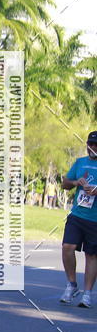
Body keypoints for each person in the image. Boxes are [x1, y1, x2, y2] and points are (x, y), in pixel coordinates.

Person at [59, 131, 97, 308]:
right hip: (77, 214)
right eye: (91, 144)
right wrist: (76, 182)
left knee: (91, 255)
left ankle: (87, 294)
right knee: (67, 247)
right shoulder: (80, 162)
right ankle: (71, 285)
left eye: (96, 145)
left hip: (95, 219)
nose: (93, 148)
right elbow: (65, 183)